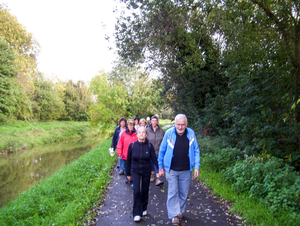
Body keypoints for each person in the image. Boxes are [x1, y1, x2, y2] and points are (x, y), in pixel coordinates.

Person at [158, 114, 200, 226]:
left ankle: (180, 210)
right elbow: (161, 150)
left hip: (186, 169)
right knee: (172, 192)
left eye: (182, 124)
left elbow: (196, 150)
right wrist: (160, 166)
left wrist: (197, 166)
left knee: (183, 193)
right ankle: (174, 215)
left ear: (186, 124)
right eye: (178, 124)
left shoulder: (190, 133)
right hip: (171, 169)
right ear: (174, 124)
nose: (180, 127)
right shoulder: (169, 133)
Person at [126, 126, 158, 222]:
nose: (141, 134)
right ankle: (136, 213)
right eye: (139, 132)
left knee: (144, 190)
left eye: (143, 132)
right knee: (136, 191)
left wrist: (158, 170)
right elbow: (128, 161)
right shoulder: (132, 146)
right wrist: (128, 173)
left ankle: (144, 208)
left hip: (146, 170)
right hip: (135, 170)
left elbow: (154, 159)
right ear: (137, 134)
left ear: (146, 134)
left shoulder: (149, 146)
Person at [117, 119, 138, 183]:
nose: (130, 126)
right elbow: (120, 144)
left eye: (132, 125)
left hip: (135, 155)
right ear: (127, 125)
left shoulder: (137, 133)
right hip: (126, 154)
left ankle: (132, 179)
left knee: (133, 168)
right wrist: (119, 153)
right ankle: (127, 177)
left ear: (134, 126)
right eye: (129, 125)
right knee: (127, 167)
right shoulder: (123, 134)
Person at [146, 115, 165, 186]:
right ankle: (152, 175)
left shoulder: (161, 130)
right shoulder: (147, 130)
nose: (154, 122)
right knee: (151, 163)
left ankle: (158, 178)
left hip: (159, 150)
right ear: (150, 121)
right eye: (153, 120)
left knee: (157, 163)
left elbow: (164, 141)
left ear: (157, 121)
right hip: (150, 150)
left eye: (155, 121)